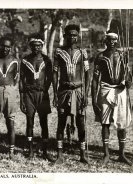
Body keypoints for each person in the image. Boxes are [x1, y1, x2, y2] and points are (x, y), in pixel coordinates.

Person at [92, 30, 132, 165]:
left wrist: (128, 82)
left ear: (117, 41)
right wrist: (93, 99)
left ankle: (122, 154)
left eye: (115, 40)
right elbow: (95, 79)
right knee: (105, 123)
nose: (112, 42)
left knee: (122, 124)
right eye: (109, 40)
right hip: (105, 90)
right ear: (106, 42)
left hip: (120, 91)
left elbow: (128, 75)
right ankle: (106, 154)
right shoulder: (100, 56)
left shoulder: (123, 55)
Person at [52, 24, 90, 164]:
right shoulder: (59, 52)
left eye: (75, 35)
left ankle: (82, 154)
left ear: (78, 36)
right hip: (64, 91)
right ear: (65, 36)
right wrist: (56, 94)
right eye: (70, 34)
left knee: (81, 123)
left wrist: (86, 94)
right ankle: (60, 155)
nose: (72, 37)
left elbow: (87, 74)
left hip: (78, 91)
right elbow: (55, 73)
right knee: (61, 122)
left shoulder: (82, 52)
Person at [19, 33, 53, 159]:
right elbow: (22, 79)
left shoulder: (47, 60)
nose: (36, 48)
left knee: (44, 122)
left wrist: (45, 89)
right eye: (34, 46)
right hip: (29, 94)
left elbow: (50, 77)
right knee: (29, 122)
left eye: (39, 46)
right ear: (30, 46)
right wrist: (22, 98)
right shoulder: (25, 60)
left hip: (42, 94)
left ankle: (44, 151)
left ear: (42, 46)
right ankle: (31, 150)